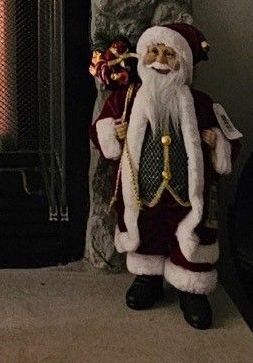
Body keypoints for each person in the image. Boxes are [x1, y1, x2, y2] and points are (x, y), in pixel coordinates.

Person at [93, 20, 241, 329]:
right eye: (154, 52)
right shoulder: (128, 98)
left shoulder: (200, 103)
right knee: (147, 228)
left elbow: (231, 139)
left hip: (187, 192)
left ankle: (191, 288)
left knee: (190, 234)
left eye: (169, 54)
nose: (160, 61)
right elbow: (99, 130)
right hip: (143, 190)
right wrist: (113, 133)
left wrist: (217, 142)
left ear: (183, 64)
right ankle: (148, 278)